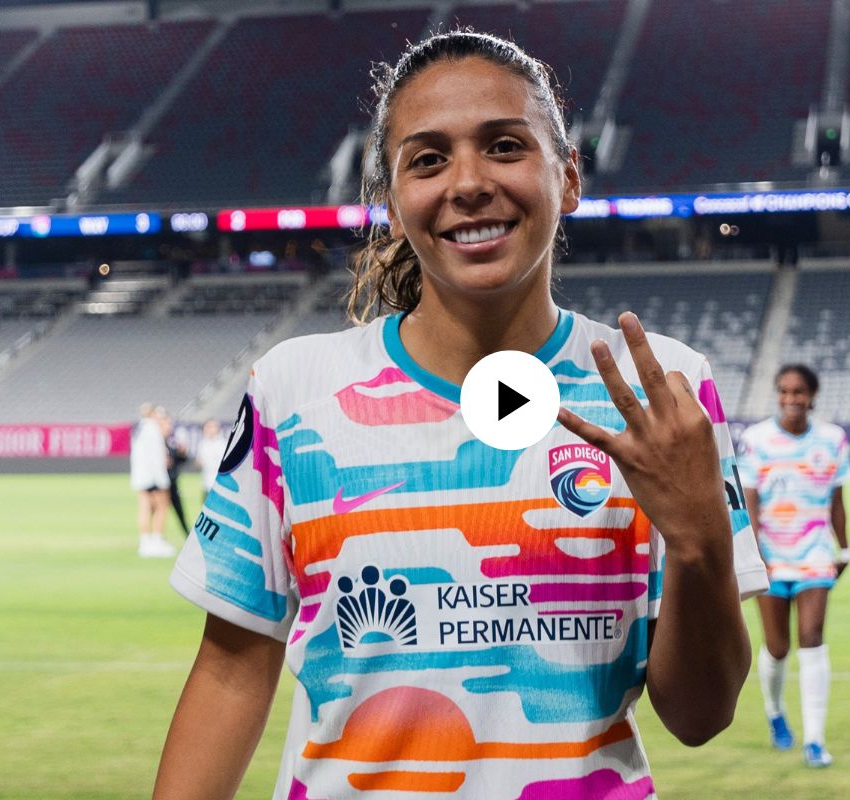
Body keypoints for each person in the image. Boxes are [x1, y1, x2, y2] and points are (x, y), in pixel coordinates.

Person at [153, 31, 767, 799]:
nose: (468, 182)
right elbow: (231, 672)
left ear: (568, 176)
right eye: (428, 158)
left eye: (505, 146)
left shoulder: (664, 391)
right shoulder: (294, 390)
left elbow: (701, 714)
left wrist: (701, 539)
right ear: (393, 200)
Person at [737, 364, 850, 768]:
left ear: (812, 395)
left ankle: (816, 741)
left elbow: (837, 502)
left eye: (799, 392)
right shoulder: (755, 440)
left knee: (812, 635)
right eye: (784, 391)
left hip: (816, 553)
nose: (791, 399)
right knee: (777, 646)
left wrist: (845, 549)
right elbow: (750, 502)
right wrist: (755, 554)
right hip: (770, 554)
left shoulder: (833, 439)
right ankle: (775, 714)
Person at [130, 403, 175, 558]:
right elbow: (155, 458)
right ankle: (157, 540)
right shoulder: (152, 430)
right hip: (153, 477)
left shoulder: (140, 429)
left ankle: (145, 541)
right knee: (161, 507)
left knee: (145, 508)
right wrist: (162, 480)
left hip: (141, 476)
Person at [194, 419, 228, 506]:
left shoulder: (222, 444)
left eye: (213, 426)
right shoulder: (202, 443)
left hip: (220, 485)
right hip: (206, 483)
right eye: (208, 427)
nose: (210, 429)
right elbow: (199, 462)